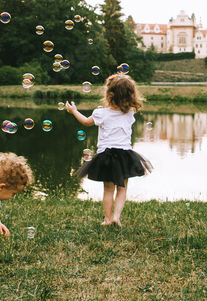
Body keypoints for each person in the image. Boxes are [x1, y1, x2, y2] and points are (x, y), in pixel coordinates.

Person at [65, 73, 153, 227]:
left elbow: (86, 122)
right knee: (122, 188)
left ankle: (107, 219)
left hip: (106, 156)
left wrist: (74, 111)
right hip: (125, 155)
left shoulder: (101, 113)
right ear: (130, 95)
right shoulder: (130, 113)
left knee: (108, 189)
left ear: (108, 94)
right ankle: (116, 217)